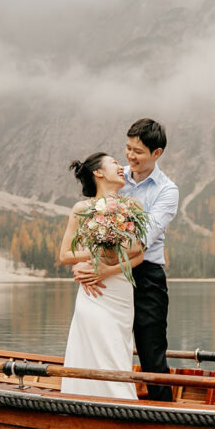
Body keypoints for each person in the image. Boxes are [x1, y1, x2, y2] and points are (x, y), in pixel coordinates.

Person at [73, 119, 179, 401]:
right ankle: (101, 401)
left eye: (139, 152)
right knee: (108, 345)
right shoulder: (117, 177)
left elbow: (142, 240)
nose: (130, 157)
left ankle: (165, 416)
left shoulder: (167, 191)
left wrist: (104, 268)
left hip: (146, 277)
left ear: (157, 154)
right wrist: (83, 264)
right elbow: (90, 222)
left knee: (151, 351)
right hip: (112, 279)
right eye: (128, 148)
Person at [58, 152, 144, 399]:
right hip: (93, 292)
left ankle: (120, 403)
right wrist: (94, 255)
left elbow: (139, 254)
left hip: (120, 291)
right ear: (98, 172)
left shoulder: (133, 207)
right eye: (115, 163)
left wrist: (107, 268)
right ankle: (84, 400)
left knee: (118, 348)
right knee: (95, 345)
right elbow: (65, 255)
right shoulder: (82, 209)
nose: (121, 167)